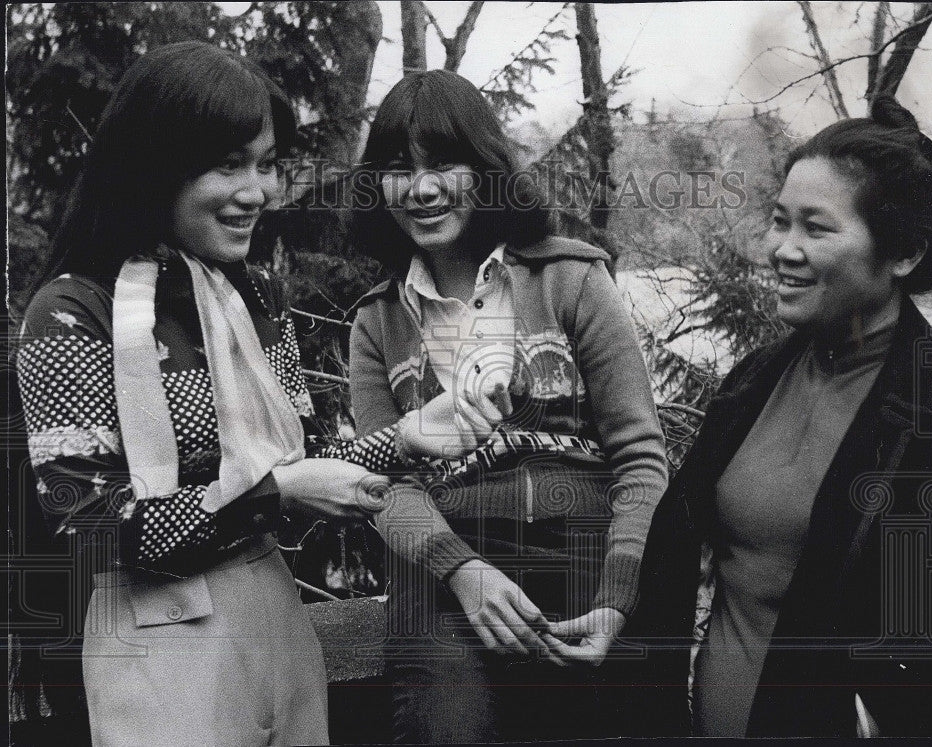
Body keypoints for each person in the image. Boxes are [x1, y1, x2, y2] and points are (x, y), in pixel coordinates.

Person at [14, 40, 411, 746]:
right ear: (154, 166)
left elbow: (304, 461)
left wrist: (416, 436)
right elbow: (93, 530)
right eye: (228, 164)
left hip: (277, 621)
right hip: (155, 637)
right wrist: (277, 493)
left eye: (265, 164)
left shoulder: (257, 298)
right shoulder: (73, 312)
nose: (256, 190)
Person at [633, 96, 932, 737]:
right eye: (780, 221)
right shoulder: (753, 381)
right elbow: (675, 553)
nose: (784, 249)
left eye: (816, 228)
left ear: (903, 253)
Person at [347, 69, 669, 743]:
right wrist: (461, 571)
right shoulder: (376, 322)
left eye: (444, 164)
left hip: (584, 545)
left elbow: (640, 457)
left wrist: (618, 594)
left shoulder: (571, 279)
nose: (423, 187)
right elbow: (384, 484)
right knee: (447, 721)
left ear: (488, 170)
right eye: (399, 168)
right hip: (444, 568)